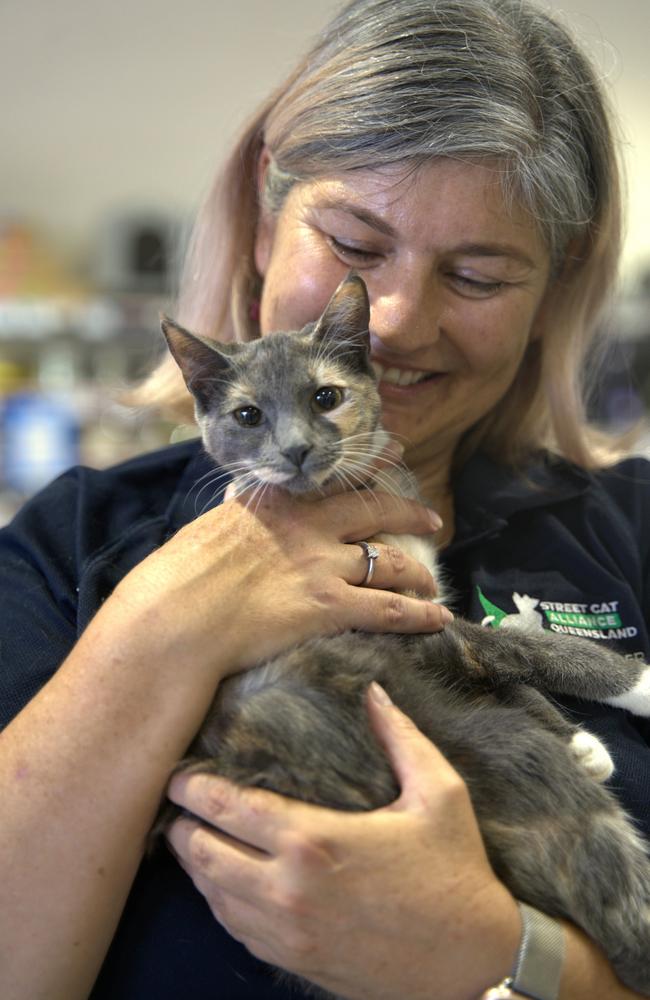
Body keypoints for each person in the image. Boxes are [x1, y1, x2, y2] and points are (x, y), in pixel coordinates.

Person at [1, 0, 649, 997]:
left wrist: (505, 956)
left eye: (475, 274)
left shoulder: (630, 529)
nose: (390, 323)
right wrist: (160, 629)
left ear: (551, 287)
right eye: (353, 246)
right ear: (265, 215)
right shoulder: (69, 550)